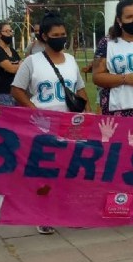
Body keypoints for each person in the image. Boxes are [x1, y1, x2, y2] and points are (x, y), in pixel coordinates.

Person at [12, 12, 90, 234]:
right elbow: (16, 89)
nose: (60, 38)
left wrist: (88, 112)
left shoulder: (72, 61)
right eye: (55, 35)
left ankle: (69, 212)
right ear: (44, 36)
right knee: (46, 172)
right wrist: (33, 110)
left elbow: (80, 88)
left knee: (71, 170)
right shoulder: (31, 62)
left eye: (63, 34)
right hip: (43, 125)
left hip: (69, 124)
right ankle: (44, 213)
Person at [0, 21, 21, 106]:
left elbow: (21, 67)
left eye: (11, 31)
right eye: (7, 31)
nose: (10, 34)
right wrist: (20, 65)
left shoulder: (12, 51)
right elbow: (11, 69)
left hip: (16, 93)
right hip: (3, 95)